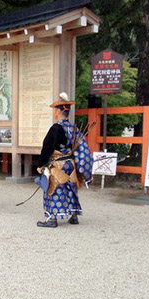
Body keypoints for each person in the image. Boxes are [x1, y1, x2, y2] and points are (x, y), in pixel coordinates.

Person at [36, 93, 93, 228]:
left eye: (55, 110)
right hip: (70, 164)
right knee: (71, 188)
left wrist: (41, 163)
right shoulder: (74, 129)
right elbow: (82, 147)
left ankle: (52, 219)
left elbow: (47, 147)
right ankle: (74, 216)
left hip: (58, 164)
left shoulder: (56, 128)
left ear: (58, 112)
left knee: (54, 189)